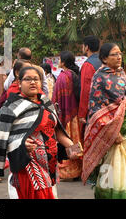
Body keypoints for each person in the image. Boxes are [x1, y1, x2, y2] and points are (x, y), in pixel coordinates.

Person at [0, 66, 80, 198]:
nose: (33, 82)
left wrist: (72, 147)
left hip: (49, 163)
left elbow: (56, 129)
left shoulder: (46, 102)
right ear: (19, 83)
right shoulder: (11, 106)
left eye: (36, 79)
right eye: (28, 79)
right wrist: (20, 143)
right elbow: (0, 135)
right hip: (28, 163)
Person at [82, 43, 126, 199]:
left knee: (125, 166)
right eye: (114, 54)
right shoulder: (100, 77)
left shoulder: (121, 73)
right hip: (112, 130)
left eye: (120, 54)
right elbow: (96, 108)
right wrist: (113, 131)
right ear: (104, 58)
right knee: (114, 168)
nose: (119, 57)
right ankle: (115, 195)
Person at [52, 51, 82, 181]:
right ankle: (78, 169)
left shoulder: (63, 76)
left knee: (66, 140)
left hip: (65, 115)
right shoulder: (74, 74)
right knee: (75, 140)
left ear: (63, 62)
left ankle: (68, 171)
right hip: (74, 114)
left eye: (60, 59)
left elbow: (57, 98)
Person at [78, 36, 102, 140]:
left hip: (93, 110)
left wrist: (82, 114)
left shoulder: (88, 65)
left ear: (86, 47)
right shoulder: (104, 61)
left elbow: (86, 90)